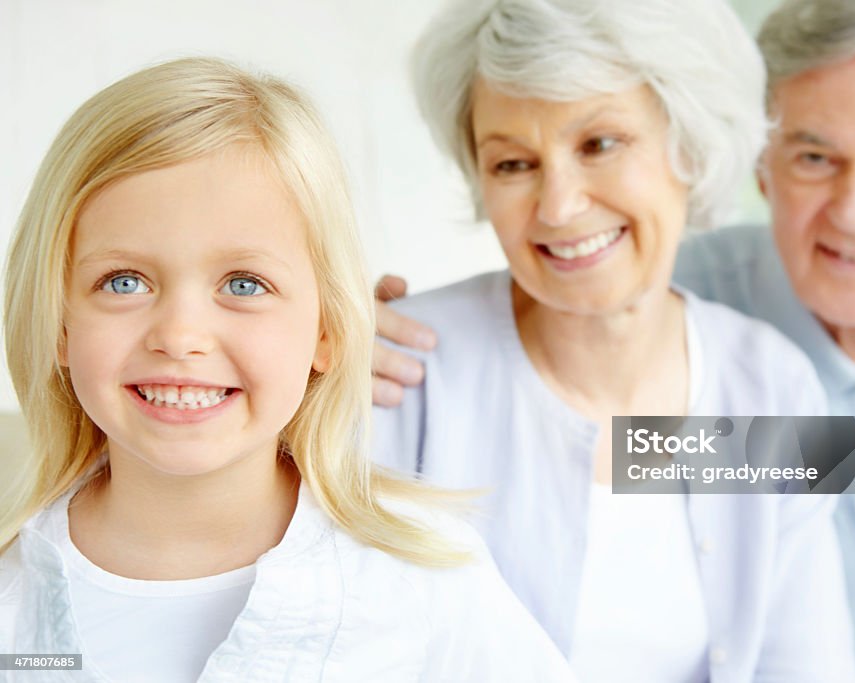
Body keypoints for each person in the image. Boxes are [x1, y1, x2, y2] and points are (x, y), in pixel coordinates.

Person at [374, 1, 855, 681]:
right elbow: (567, 412)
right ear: (762, 164)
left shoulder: (759, 374)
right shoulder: (662, 284)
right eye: (813, 155)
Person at [0, 57, 575, 682]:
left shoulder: (426, 583)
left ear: (326, 331)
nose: (181, 337)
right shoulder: (12, 601)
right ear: (58, 323)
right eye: (124, 281)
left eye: (244, 284)